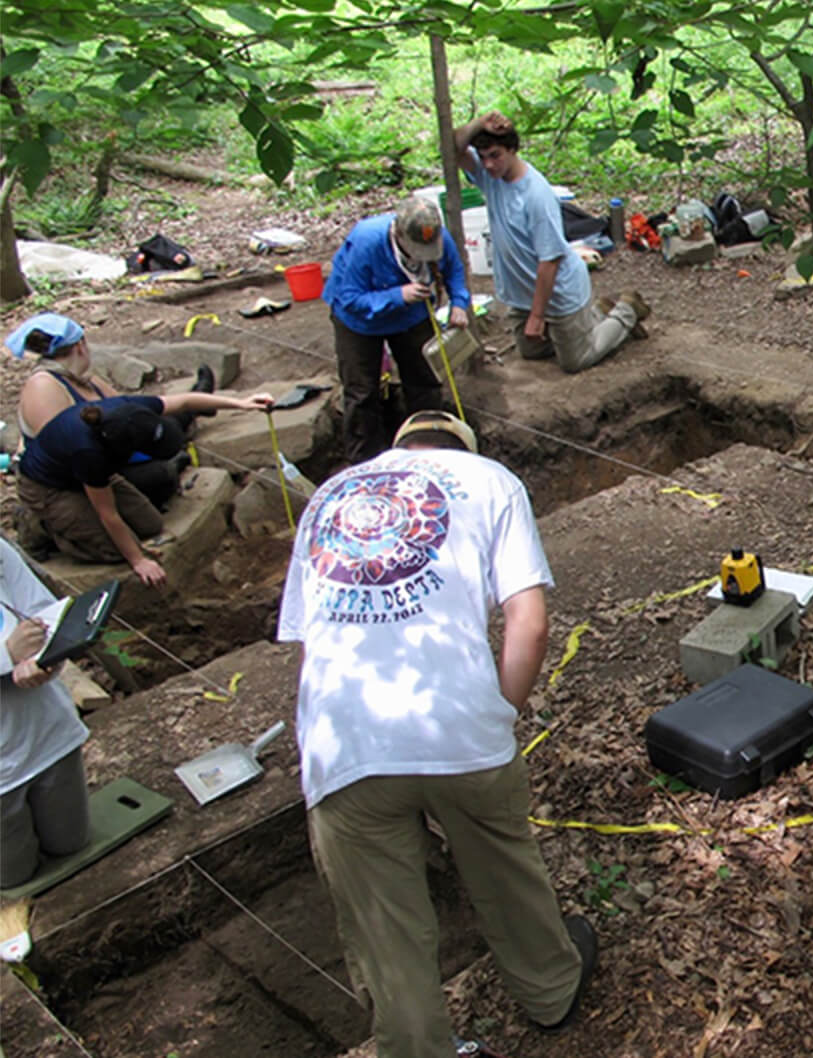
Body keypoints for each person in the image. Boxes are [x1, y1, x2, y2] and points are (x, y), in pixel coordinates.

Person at [279, 410, 596, 1058]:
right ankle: (550, 991)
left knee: (385, 930)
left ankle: (420, 1047)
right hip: (455, 724)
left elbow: (315, 645)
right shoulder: (490, 480)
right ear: (464, 448)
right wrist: (496, 713)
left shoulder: (329, 497)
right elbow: (528, 625)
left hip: (343, 746)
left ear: (398, 451)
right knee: (504, 864)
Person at [7, 318, 274, 586]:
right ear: (80, 345)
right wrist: (138, 560)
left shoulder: (109, 399)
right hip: (60, 482)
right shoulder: (71, 427)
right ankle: (41, 526)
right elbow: (107, 513)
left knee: (150, 524)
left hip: (98, 465)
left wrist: (241, 404)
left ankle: (193, 415)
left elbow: (174, 403)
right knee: (118, 544)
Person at [452, 111, 650, 374]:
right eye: (484, 157)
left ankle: (627, 310)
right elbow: (452, 148)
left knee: (575, 361)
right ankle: (595, 315)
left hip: (558, 292)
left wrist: (537, 316)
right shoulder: (491, 177)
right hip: (523, 291)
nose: (488, 164)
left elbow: (551, 259)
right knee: (531, 351)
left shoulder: (536, 195)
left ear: (512, 150)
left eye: (496, 155)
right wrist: (481, 123)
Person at [8, 313, 215, 515]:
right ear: (80, 345)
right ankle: (181, 445)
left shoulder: (84, 379)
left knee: (157, 423)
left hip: (108, 455)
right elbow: (67, 458)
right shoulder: (44, 387)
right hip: (79, 478)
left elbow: (132, 410)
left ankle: (198, 402)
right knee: (158, 477)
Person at [323, 196, 472, 465]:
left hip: (411, 314)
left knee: (425, 381)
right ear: (399, 233)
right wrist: (397, 295)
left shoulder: (439, 236)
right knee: (362, 392)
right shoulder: (368, 241)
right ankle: (365, 460)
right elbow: (350, 298)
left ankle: (428, 449)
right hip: (360, 321)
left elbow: (455, 271)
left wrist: (459, 304)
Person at [0, 537, 91, 889]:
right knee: (13, 877)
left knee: (72, 845)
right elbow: (14, 648)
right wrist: (7, 655)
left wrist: (46, 659)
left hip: (49, 735)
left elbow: (44, 614)